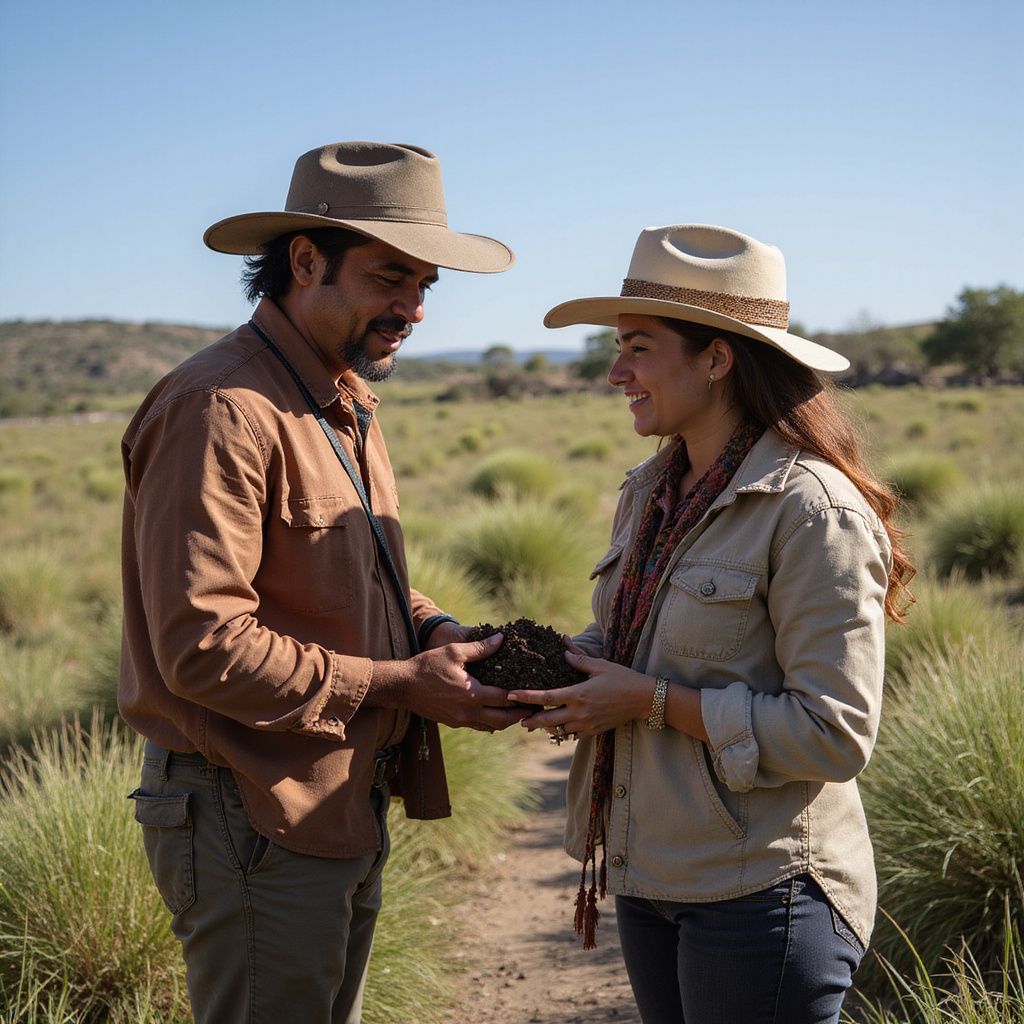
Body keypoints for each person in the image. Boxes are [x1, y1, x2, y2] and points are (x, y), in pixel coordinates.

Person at [119, 141, 525, 1024]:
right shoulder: (223, 408)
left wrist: (435, 634)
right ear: (306, 262)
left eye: (425, 285)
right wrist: (398, 686)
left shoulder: (339, 401)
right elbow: (201, 647)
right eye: (390, 278)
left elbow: (366, 586)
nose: (413, 308)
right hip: (248, 808)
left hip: (329, 803)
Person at [508, 224, 913, 1024]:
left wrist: (647, 702)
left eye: (638, 348)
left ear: (718, 358)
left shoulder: (811, 513)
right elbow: (634, 647)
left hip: (765, 891)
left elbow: (835, 734)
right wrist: (539, 669)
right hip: (652, 871)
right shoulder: (650, 489)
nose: (615, 372)